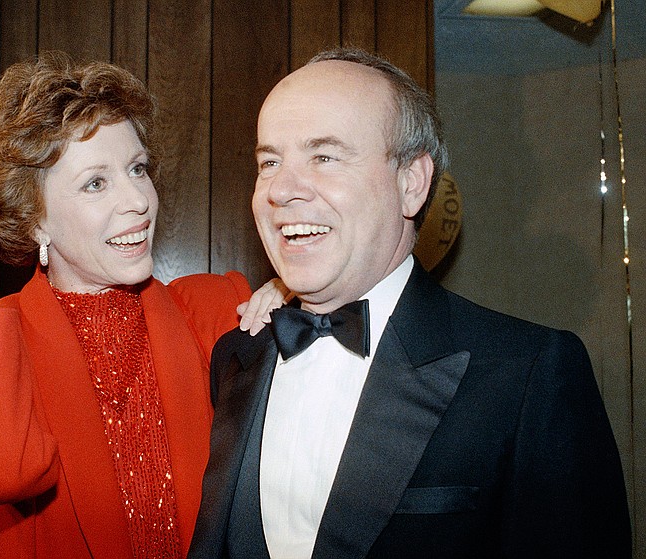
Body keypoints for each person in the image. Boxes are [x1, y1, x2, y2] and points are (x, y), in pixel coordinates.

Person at [188, 47, 632, 558]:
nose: (281, 189)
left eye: (324, 156)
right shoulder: (236, 358)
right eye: (269, 161)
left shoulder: (527, 375)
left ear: (411, 183)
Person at [0, 52, 284, 559]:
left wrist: (299, 293)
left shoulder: (220, 307)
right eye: (96, 182)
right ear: (34, 217)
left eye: (137, 169)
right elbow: (1, 470)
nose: (138, 200)